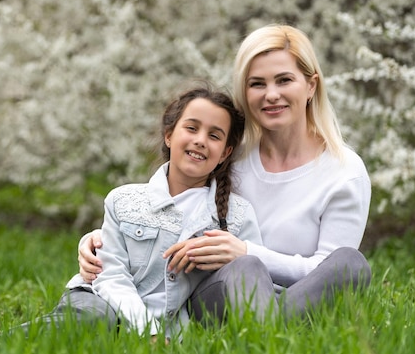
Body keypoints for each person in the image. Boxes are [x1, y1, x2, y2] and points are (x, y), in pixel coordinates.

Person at [78, 24, 372, 322]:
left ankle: (269, 329)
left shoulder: (344, 171)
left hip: (299, 302)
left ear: (311, 86)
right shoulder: (230, 155)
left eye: (284, 80)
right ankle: (274, 337)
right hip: (219, 297)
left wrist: (244, 251)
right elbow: (175, 207)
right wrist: (103, 238)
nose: (271, 94)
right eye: (257, 84)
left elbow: (326, 269)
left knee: (350, 264)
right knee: (244, 270)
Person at [22, 86, 266, 341]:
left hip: (174, 329)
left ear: (225, 153)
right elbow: (111, 275)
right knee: (93, 318)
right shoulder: (123, 200)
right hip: (105, 302)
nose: (201, 140)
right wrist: (148, 330)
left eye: (214, 136)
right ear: (169, 135)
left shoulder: (237, 216)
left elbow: (251, 283)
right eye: (191, 128)